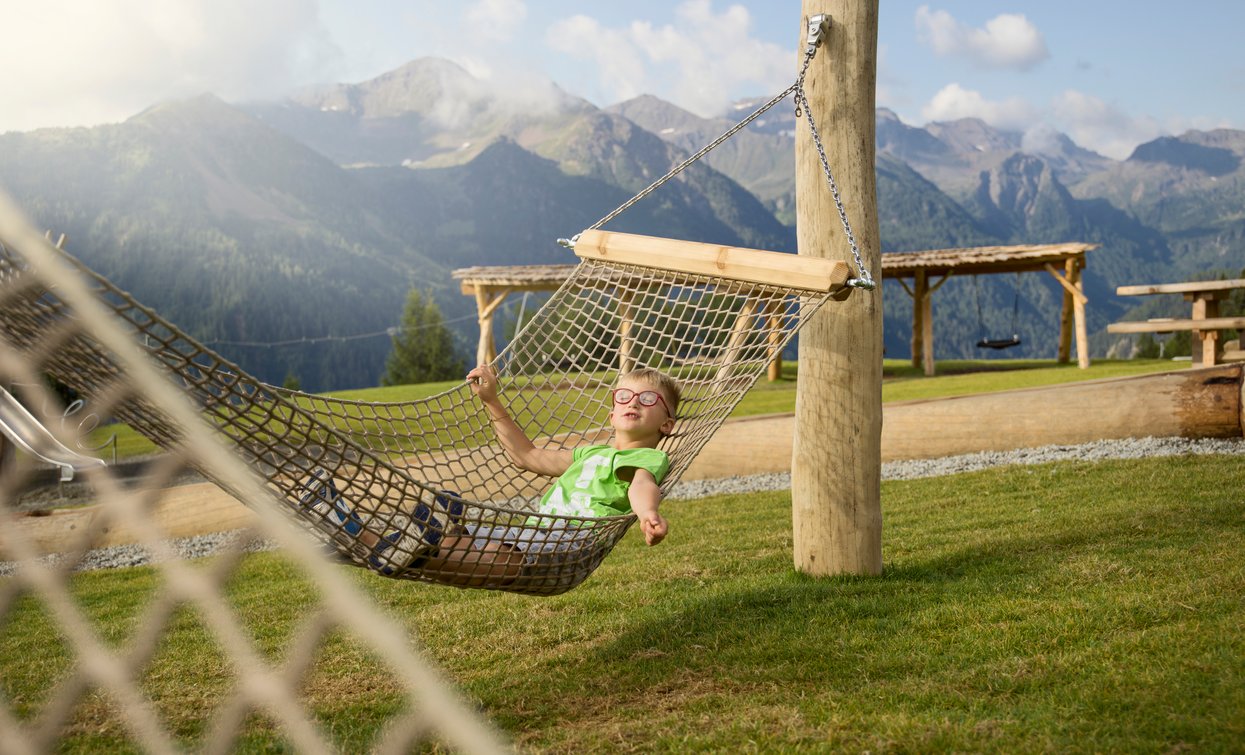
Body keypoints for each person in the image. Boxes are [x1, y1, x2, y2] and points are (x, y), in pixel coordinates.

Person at [299, 365, 680, 586]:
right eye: (623, 397)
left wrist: (647, 515)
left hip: (571, 540)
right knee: (452, 529)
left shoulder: (646, 458)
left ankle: (363, 538)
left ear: (666, 423)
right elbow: (526, 455)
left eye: (648, 399)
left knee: (502, 559)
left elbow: (641, 487)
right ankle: (360, 534)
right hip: (532, 528)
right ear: (612, 414)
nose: (633, 403)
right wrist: (492, 401)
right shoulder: (590, 453)